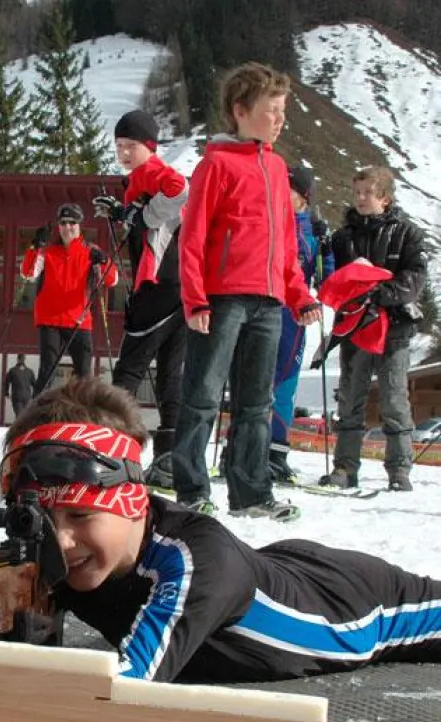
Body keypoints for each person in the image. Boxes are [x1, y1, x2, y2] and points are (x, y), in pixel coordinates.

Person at [0, 377, 441, 683]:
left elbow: (126, 686)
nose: (62, 541)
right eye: (44, 521)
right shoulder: (55, 550)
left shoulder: (192, 562)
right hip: (270, 565)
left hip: (352, 602)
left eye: (80, 515)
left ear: (133, 502)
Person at [170, 62, 321, 522]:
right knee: (203, 395)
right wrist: (195, 298)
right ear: (240, 111)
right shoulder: (215, 164)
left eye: (283, 111)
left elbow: (287, 244)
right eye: (271, 110)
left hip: (269, 302)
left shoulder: (276, 168)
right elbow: (193, 237)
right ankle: (191, 490)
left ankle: (252, 493)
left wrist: (298, 294)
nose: (280, 119)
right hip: (222, 299)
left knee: (257, 403)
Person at [92, 109, 188, 491]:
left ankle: (113, 452)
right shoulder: (138, 180)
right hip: (179, 287)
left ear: (150, 146)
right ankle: (169, 460)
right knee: (169, 375)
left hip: (159, 287)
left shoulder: (151, 172)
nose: (124, 153)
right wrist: (124, 213)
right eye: (119, 146)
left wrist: (141, 215)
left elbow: (179, 189)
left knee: (128, 372)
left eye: (131, 145)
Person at [319, 166, 426, 493]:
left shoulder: (406, 233)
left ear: (385, 198)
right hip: (355, 326)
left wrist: (380, 293)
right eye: (357, 193)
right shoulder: (342, 238)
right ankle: (345, 467)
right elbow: (331, 278)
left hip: (395, 325)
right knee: (350, 396)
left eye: (368, 193)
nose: (361, 199)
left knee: (394, 397)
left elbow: (415, 278)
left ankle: (399, 470)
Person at [265, 166, 335, 484]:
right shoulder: (268, 219)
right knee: (251, 380)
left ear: (304, 197)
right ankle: (240, 448)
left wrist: (327, 249)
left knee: (284, 382)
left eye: (288, 188)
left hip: (293, 316)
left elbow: (326, 278)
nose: (281, 192)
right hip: (261, 306)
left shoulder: (312, 232)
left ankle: (276, 453)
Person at [20, 203, 118, 392]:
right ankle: (40, 408)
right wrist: (35, 246)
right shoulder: (48, 252)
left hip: (79, 319)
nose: (67, 227)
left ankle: (83, 409)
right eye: (63, 223)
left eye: (72, 222)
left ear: (79, 225)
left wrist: (104, 260)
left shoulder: (90, 251)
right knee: (47, 370)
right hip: (50, 319)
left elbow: (111, 280)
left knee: (84, 374)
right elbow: (28, 273)